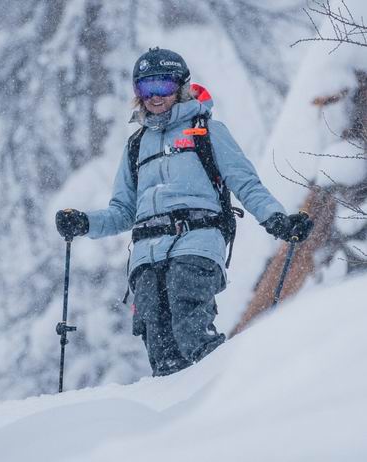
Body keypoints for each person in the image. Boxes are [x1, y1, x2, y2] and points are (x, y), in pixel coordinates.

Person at [55, 47, 313, 377]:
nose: (155, 96)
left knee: (190, 323)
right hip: (146, 257)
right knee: (159, 344)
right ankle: (182, 419)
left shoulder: (208, 131)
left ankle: (225, 390)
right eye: (146, 88)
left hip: (197, 242)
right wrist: (85, 223)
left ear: (181, 86)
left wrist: (277, 219)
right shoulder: (136, 145)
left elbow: (246, 183)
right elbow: (122, 211)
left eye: (163, 86)